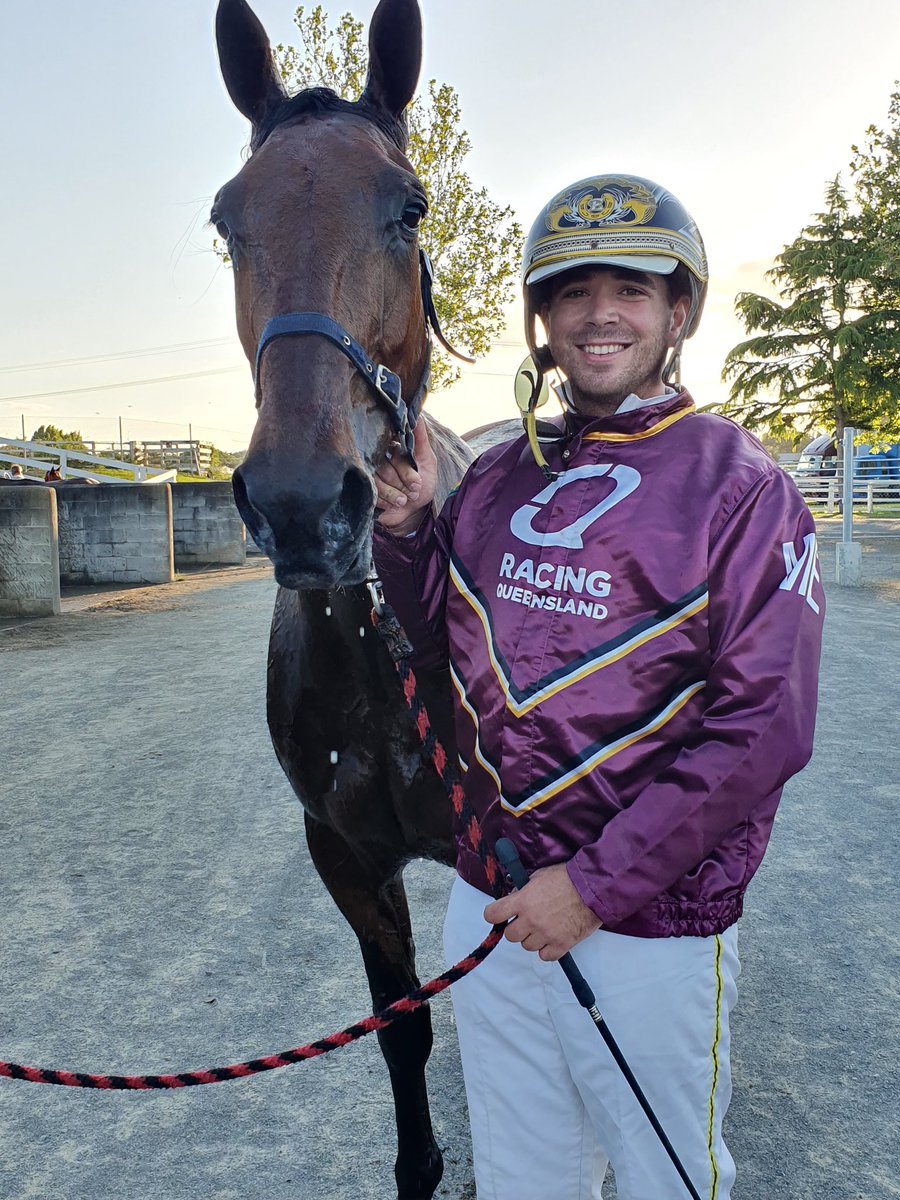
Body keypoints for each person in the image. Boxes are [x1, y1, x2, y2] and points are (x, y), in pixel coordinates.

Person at [373, 174, 824, 1200]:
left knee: (668, 1181)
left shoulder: (744, 486)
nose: (600, 313)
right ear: (544, 319)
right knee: (522, 1178)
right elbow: (440, 644)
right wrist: (406, 533)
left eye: (632, 288)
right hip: (492, 904)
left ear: (679, 311)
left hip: (650, 924)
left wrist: (591, 889)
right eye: (574, 291)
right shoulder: (498, 474)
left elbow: (762, 732)